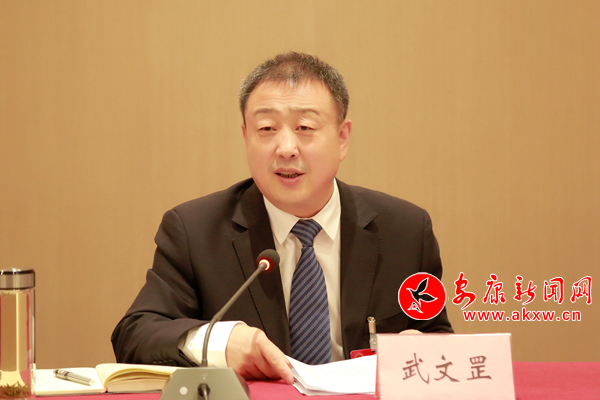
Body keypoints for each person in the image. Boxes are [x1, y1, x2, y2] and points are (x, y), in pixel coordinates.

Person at [111, 52, 452, 385]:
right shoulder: (195, 231)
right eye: (267, 128)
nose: (286, 147)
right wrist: (219, 341)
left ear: (342, 138)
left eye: (305, 127)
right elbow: (135, 334)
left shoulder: (404, 231)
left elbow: (437, 337)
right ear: (246, 137)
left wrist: (422, 347)